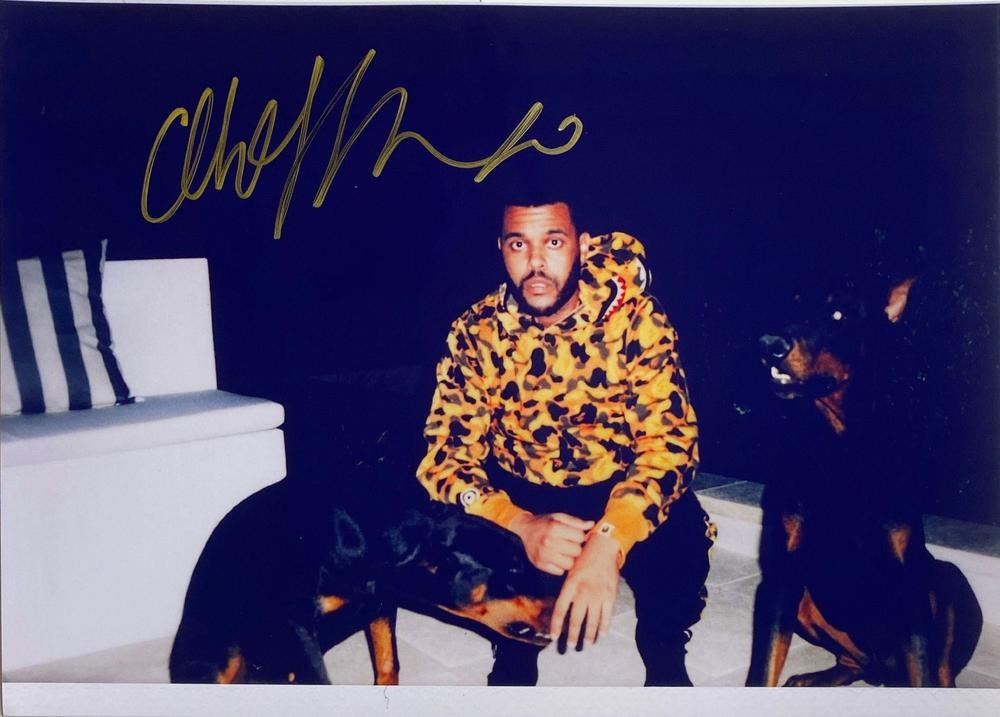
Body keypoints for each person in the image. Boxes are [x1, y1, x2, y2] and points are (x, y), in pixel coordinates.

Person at [416, 196, 714, 686]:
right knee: (450, 531)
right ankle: (514, 648)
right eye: (519, 245)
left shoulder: (635, 320)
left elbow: (671, 444)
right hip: (522, 491)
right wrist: (517, 523)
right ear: (500, 249)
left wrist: (611, 538)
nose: (536, 264)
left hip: (616, 483)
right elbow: (444, 456)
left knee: (679, 534)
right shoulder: (476, 332)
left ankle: (664, 650)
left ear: (582, 245)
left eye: (553, 242)